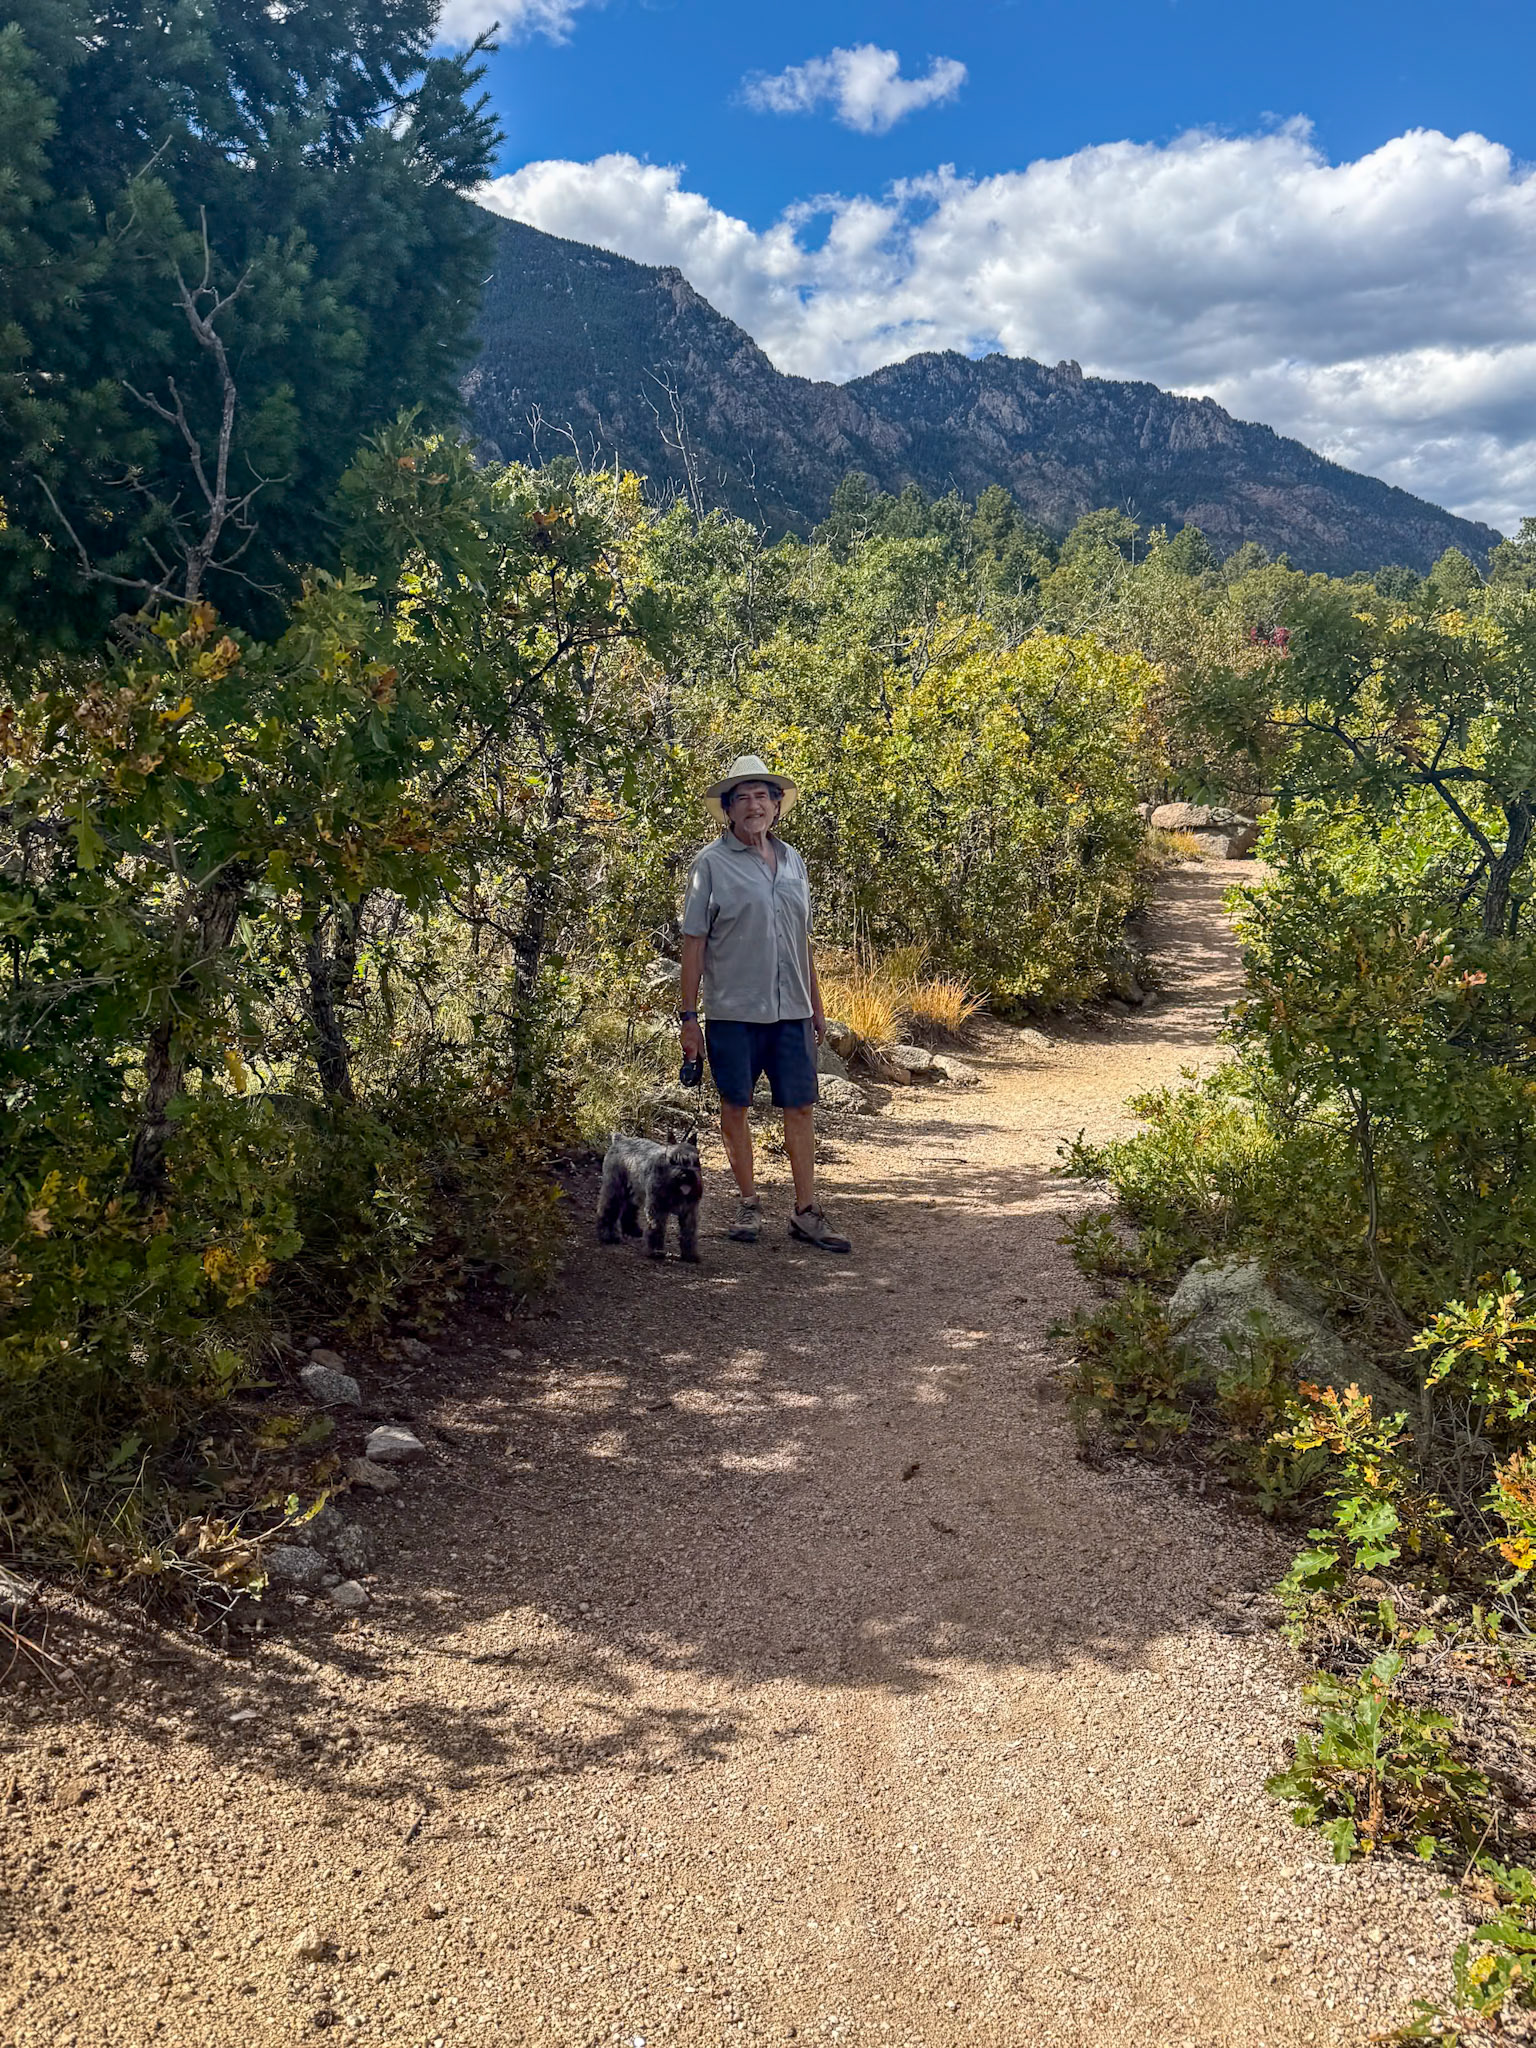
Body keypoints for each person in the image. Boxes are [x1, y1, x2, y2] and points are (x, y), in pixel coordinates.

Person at [679, 754, 851, 1254]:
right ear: (728, 810)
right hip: (733, 1011)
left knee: (800, 1107)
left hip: (793, 1010)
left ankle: (805, 1212)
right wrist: (689, 1018)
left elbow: (802, 940)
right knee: (735, 1106)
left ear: (777, 805)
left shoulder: (794, 860)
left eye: (763, 796)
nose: (754, 806)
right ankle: (748, 1203)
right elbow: (694, 943)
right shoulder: (709, 864)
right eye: (743, 798)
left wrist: (816, 1006)